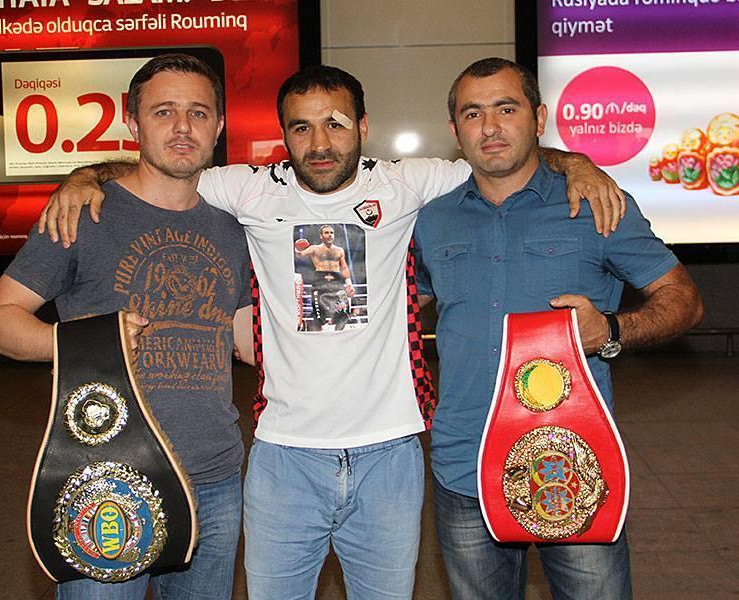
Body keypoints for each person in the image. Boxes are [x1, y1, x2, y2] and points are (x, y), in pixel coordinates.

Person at [37, 65, 626, 599]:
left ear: (363, 126)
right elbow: (162, 171)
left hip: (390, 454)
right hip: (283, 456)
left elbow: (499, 153)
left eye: (336, 124)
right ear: (283, 136)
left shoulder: (408, 182)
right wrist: (86, 175)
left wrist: (575, 162)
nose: (319, 143)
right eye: (301, 128)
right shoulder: (246, 188)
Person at [413, 57, 704, 600]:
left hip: (574, 465)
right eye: (473, 114)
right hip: (464, 464)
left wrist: (611, 330)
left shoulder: (597, 206)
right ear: (455, 129)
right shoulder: (431, 220)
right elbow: (404, 305)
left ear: (539, 118)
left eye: (506, 109)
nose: (490, 127)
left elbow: (683, 300)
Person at [0, 54, 253, 600]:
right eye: (163, 111)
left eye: (198, 113)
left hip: (215, 478)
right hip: (106, 479)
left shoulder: (233, 229)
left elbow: (243, 339)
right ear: (132, 122)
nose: (182, 127)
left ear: (219, 126)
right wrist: (89, 343)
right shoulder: (83, 214)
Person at [295, 224, 356, 330]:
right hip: (320, 283)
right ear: (321, 236)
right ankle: (317, 334)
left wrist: (349, 284)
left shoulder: (339, 250)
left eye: (331, 233)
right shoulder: (314, 249)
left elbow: (344, 267)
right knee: (318, 314)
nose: (330, 235)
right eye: (326, 233)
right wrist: (297, 248)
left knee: (343, 312)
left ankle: (339, 334)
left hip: (337, 283)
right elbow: (300, 254)